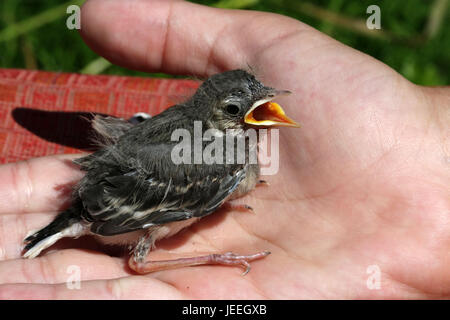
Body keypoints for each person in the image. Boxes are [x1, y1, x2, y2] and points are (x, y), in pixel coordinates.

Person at [0, 0, 448, 299]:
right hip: (109, 216)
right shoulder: (220, 160)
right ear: (216, 114)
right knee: (139, 259)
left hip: (117, 189)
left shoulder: (217, 143)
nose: (253, 114)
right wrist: (215, 257)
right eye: (237, 110)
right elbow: (135, 241)